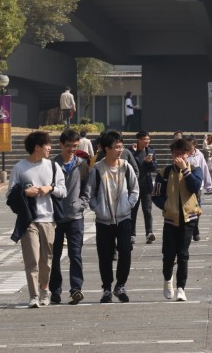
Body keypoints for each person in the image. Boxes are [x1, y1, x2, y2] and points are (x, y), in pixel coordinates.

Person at [7, 131, 66, 307]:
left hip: (48, 219)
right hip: (29, 219)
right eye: (47, 145)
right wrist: (25, 192)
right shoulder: (19, 168)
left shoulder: (54, 167)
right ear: (37, 147)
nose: (50, 148)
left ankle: (44, 290)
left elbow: (63, 190)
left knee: (47, 259)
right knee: (31, 258)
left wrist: (50, 188)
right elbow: (10, 195)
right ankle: (33, 295)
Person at [88, 130, 139, 303]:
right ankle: (107, 289)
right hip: (103, 220)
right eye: (116, 147)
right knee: (105, 255)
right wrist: (97, 208)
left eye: (121, 146)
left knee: (125, 251)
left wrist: (128, 205)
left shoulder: (126, 166)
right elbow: (90, 193)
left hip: (124, 218)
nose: (119, 150)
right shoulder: (97, 169)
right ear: (106, 149)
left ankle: (121, 285)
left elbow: (135, 189)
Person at [151, 137, 203, 302]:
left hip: (189, 218)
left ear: (188, 154)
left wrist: (185, 171)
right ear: (172, 154)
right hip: (170, 219)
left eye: (182, 154)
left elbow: (195, 187)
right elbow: (156, 195)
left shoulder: (195, 169)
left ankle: (181, 287)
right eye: (176, 154)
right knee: (168, 254)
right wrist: (166, 207)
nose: (179, 157)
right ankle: (168, 280)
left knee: (183, 254)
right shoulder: (165, 172)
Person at [49, 129, 91, 305]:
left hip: (75, 217)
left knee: (75, 254)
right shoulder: (51, 165)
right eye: (68, 146)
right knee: (54, 256)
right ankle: (55, 291)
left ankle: (76, 289)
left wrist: (81, 204)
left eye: (75, 146)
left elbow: (87, 189)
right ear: (60, 145)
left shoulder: (82, 164)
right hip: (55, 217)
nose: (72, 149)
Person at [129, 130, 157, 244]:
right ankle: (132, 234)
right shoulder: (130, 151)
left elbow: (154, 168)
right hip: (133, 186)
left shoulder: (150, 151)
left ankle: (149, 233)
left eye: (148, 139)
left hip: (146, 186)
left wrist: (149, 162)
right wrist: (135, 154)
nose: (147, 141)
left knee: (147, 210)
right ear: (139, 140)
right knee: (132, 212)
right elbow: (129, 166)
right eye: (145, 139)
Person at [185, 136, 212, 241]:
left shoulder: (199, 155)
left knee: (196, 209)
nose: (188, 148)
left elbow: (204, 169)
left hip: (197, 186)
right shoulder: (184, 154)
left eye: (190, 146)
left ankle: (195, 230)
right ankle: (188, 230)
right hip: (185, 185)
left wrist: (208, 185)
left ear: (195, 145)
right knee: (187, 208)